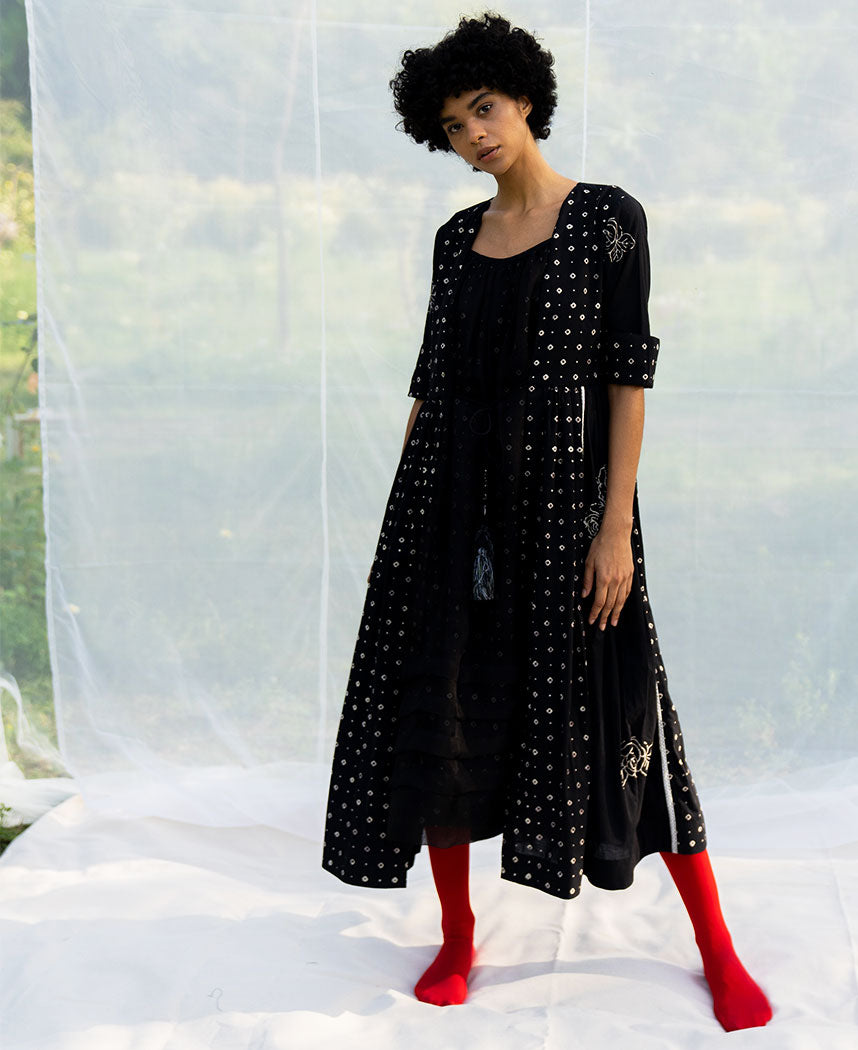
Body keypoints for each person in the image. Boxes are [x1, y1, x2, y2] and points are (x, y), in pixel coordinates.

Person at [322, 11, 772, 1032]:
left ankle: (717, 947)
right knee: (444, 707)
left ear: (525, 100)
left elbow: (626, 380)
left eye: (483, 108)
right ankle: (457, 937)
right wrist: (410, 533)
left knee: (626, 708)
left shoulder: (608, 218)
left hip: (570, 509)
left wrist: (615, 529)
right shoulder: (455, 241)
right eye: (451, 125)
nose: (473, 134)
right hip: (450, 510)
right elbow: (433, 387)